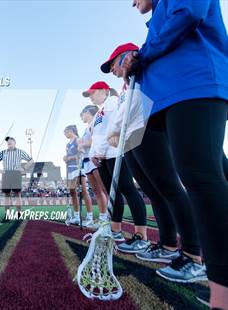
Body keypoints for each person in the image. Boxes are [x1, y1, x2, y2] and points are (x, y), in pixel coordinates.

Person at [122, 0, 228, 307]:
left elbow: (190, 12)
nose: (131, 1)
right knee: (210, 173)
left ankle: (222, 291)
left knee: (200, 177)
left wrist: (140, 56)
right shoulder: (156, 16)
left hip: (195, 84)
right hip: (176, 93)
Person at [103, 43, 202, 277]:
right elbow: (119, 117)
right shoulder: (127, 86)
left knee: (169, 187)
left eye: (113, 65)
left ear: (125, 57)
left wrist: (116, 131)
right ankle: (168, 244)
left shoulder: (143, 73)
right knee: (153, 192)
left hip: (147, 128)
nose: (113, 71)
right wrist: (114, 133)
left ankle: (193, 253)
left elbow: (140, 104)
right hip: (130, 136)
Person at [85, 81, 150, 253]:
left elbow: (115, 127)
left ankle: (141, 235)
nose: (90, 96)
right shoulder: (99, 111)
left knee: (128, 189)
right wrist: (94, 153)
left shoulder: (113, 102)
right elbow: (98, 136)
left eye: (92, 93)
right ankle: (115, 230)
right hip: (103, 157)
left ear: (103, 91)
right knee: (112, 195)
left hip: (115, 153)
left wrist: (104, 150)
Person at [79, 105, 108, 224]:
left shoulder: (95, 122)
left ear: (87, 112)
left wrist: (82, 144)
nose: (81, 117)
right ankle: (102, 218)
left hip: (95, 158)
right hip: (86, 160)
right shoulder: (86, 129)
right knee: (96, 190)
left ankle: (106, 218)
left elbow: (93, 141)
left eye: (82, 114)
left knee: (103, 189)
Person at [0, 137, 34, 222]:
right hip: (6, 174)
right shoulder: (3, 153)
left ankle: (19, 215)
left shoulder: (20, 152)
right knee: (7, 196)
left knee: (18, 195)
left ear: (15, 143)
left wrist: (24, 168)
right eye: (8, 143)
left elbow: (31, 160)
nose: (9, 144)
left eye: (11, 143)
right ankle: (7, 215)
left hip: (16, 174)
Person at [63, 125, 94, 227]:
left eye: (66, 132)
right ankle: (76, 216)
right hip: (70, 170)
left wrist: (70, 157)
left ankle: (90, 217)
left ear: (71, 131)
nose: (65, 134)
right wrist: (65, 158)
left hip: (78, 168)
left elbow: (81, 154)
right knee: (72, 192)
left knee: (83, 191)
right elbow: (68, 157)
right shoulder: (67, 144)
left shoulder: (78, 140)